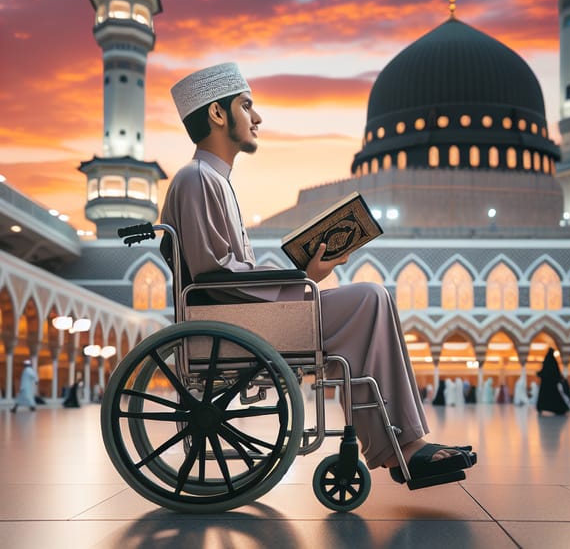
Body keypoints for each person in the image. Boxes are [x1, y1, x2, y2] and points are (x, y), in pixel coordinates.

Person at [160, 62, 475, 486]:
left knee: (370, 299)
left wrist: (303, 275)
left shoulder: (211, 180)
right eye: (246, 106)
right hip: (239, 323)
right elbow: (212, 274)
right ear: (217, 114)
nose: (256, 118)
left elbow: (223, 272)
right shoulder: (197, 179)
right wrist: (301, 277)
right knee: (369, 298)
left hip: (249, 317)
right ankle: (402, 446)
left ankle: (402, 444)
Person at [535, 348, 570, 416]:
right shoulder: (553, 361)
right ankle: (559, 409)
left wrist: (539, 374)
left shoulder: (547, 361)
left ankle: (542, 407)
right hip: (552, 384)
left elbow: (544, 371)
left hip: (545, 384)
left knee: (544, 397)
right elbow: (556, 372)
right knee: (554, 396)